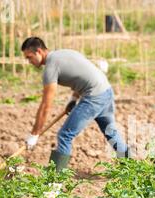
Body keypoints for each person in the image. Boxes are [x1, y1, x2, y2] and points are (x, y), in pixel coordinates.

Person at [21, 37, 129, 172]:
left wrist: (34, 134)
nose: (29, 62)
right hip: (106, 91)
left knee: (64, 135)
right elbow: (81, 75)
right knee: (110, 132)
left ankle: (54, 182)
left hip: (94, 97)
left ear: (39, 51)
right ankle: (130, 168)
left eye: (29, 57)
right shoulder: (64, 53)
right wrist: (73, 99)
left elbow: (45, 106)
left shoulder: (50, 68)